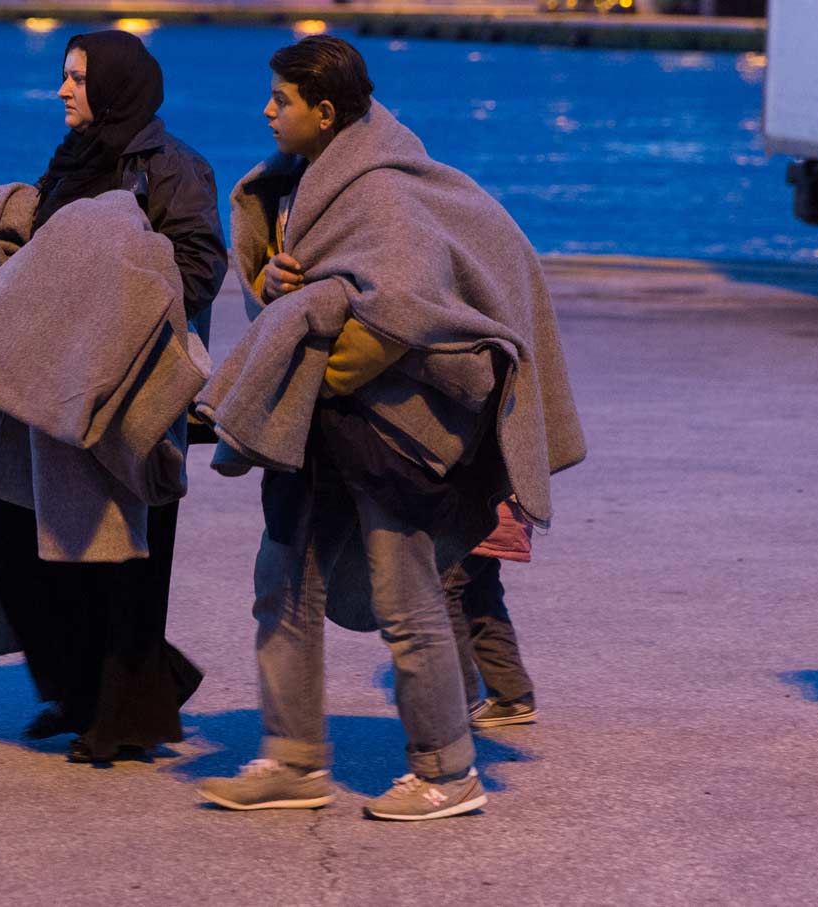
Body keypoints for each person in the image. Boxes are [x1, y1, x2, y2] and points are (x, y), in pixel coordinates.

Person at [194, 36, 584, 820]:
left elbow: (402, 306)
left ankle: (447, 771)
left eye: (282, 100)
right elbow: (312, 293)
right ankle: (293, 758)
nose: (267, 111)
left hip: (388, 436)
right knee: (281, 588)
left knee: (407, 601)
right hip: (320, 436)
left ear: (326, 111)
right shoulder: (306, 187)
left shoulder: (382, 192)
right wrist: (271, 279)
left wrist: (319, 373)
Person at [0, 30, 227, 764]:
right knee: (13, 540)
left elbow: (198, 270)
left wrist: (104, 282)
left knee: (126, 566)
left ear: (114, 86)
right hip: (53, 387)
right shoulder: (73, 162)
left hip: (135, 392)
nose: (63, 90)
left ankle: (122, 718)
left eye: (77, 78)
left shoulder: (172, 167)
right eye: (65, 76)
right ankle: (89, 691)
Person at [444, 498, 538, 728]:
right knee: (478, 596)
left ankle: (458, 702)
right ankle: (512, 696)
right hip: (494, 511)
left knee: (436, 594)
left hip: (475, 512)